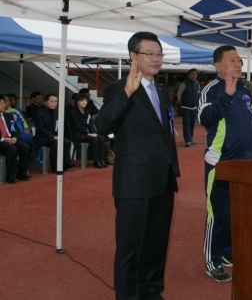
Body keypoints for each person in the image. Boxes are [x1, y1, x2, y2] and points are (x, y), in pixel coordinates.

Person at [95, 31, 180, 300]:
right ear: (134, 56)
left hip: (163, 178)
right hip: (134, 181)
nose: (156, 59)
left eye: (159, 54)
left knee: (157, 243)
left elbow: (164, 133)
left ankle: (152, 291)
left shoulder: (162, 91)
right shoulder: (118, 88)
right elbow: (102, 126)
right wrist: (127, 93)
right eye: (150, 54)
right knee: (131, 246)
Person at [199, 45, 252, 282]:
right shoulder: (212, 90)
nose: (238, 65)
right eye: (232, 60)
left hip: (246, 164)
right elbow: (205, 118)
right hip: (221, 164)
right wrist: (226, 93)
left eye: (240, 61)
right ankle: (212, 261)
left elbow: (250, 125)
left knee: (238, 214)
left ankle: (228, 253)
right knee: (219, 215)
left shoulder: (245, 90)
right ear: (217, 65)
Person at [33, 93, 73, 173]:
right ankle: (54, 165)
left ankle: (65, 164)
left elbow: (61, 125)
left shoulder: (57, 112)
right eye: (52, 101)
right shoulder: (40, 113)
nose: (54, 103)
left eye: (56, 101)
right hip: (42, 137)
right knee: (56, 142)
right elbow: (41, 129)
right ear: (45, 102)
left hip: (55, 136)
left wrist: (60, 135)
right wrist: (52, 136)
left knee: (67, 141)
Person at [68, 93, 107, 169]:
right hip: (78, 134)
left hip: (88, 133)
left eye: (85, 101)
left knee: (101, 138)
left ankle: (102, 159)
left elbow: (91, 124)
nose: (84, 102)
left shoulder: (87, 111)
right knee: (94, 139)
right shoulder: (73, 112)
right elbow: (77, 126)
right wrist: (88, 133)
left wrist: (94, 132)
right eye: (81, 101)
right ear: (77, 102)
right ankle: (96, 161)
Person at [0, 95, 31, 184]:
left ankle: (22, 172)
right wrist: (3, 139)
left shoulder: (8, 116)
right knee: (12, 149)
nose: (2, 105)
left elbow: (16, 129)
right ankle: (10, 175)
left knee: (25, 147)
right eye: (0, 103)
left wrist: (15, 137)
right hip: (1, 141)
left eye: (3, 103)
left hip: (11, 139)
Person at [177, 68, 201, 147]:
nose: (194, 75)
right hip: (186, 108)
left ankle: (191, 139)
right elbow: (179, 94)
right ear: (188, 75)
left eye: (195, 74)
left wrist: (197, 104)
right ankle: (188, 140)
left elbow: (198, 93)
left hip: (194, 108)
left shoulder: (197, 83)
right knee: (186, 124)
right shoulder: (184, 84)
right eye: (192, 74)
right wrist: (182, 103)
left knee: (192, 124)